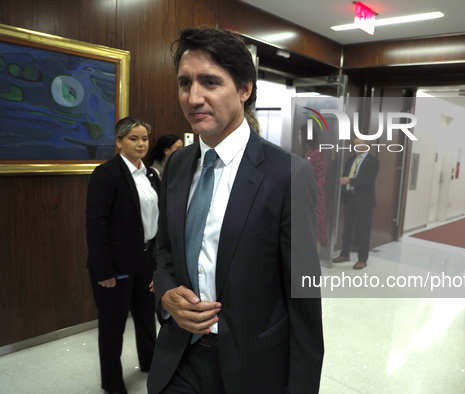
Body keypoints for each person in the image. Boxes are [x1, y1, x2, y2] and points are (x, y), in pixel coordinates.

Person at [147, 27, 324, 394]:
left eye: (210, 82)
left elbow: (304, 301)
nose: (193, 97)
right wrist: (166, 295)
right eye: (184, 83)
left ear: (244, 89)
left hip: (251, 366)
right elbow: (164, 251)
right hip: (178, 357)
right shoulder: (178, 165)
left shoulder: (287, 175)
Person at [86, 116, 159, 393]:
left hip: (145, 259)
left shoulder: (150, 174)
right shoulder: (106, 174)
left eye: (144, 138)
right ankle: (112, 382)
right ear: (118, 142)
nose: (141, 144)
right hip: (115, 265)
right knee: (113, 326)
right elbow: (96, 225)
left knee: (146, 317)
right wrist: (104, 271)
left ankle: (151, 364)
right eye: (133, 138)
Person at [332, 137, 379, 270]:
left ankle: (362, 259)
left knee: (363, 230)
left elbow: (368, 181)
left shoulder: (373, 161)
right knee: (347, 228)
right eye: (354, 144)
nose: (355, 146)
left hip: (365, 201)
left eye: (358, 144)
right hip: (350, 198)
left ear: (366, 145)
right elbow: (345, 176)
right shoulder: (351, 160)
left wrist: (349, 181)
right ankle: (344, 254)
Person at [300, 126, 327, 247]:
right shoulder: (305, 155)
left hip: (315, 200)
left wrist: (308, 191)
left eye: (300, 134)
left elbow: (321, 179)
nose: (299, 137)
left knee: (316, 233)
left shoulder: (317, 154)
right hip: (304, 199)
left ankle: (314, 264)